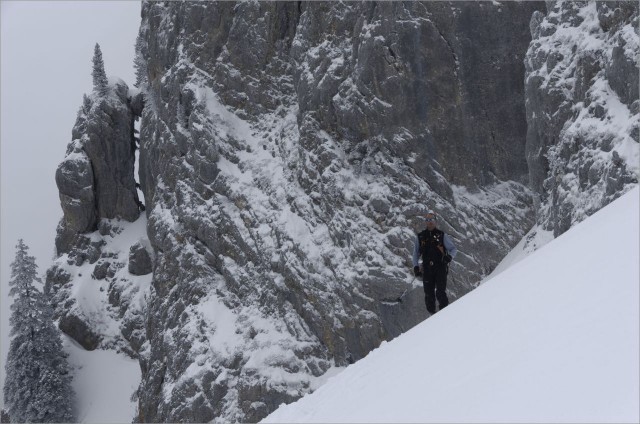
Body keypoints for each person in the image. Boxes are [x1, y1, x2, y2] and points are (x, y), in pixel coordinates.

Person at [412, 211, 457, 314]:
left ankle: (445, 314)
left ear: (435, 221)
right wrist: (416, 267)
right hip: (427, 269)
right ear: (425, 222)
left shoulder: (441, 235)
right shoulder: (420, 237)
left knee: (440, 292)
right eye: (427, 220)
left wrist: (449, 257)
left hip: (440, 267)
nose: (429, 222)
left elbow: (453, 249)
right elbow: (415, 254)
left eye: (431, 220)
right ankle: (432, 317)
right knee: (428, 295)